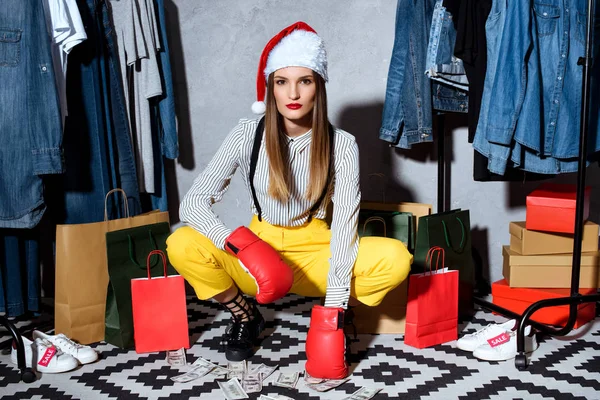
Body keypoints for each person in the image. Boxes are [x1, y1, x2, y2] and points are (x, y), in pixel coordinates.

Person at [166, 21, 412, 379]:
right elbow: (192, 204)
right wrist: (241, 245)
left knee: (395, 258)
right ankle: (245, 314)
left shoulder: (341, 144)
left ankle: (339, 314)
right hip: (256, 255)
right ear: (271, 89)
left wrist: (334, 315)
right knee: (182, 242)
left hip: (317, 257)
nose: (293, 93)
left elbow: (344, 226)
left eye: (305, 81)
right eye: (282, 82)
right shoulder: (246, 134)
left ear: (319, 88)